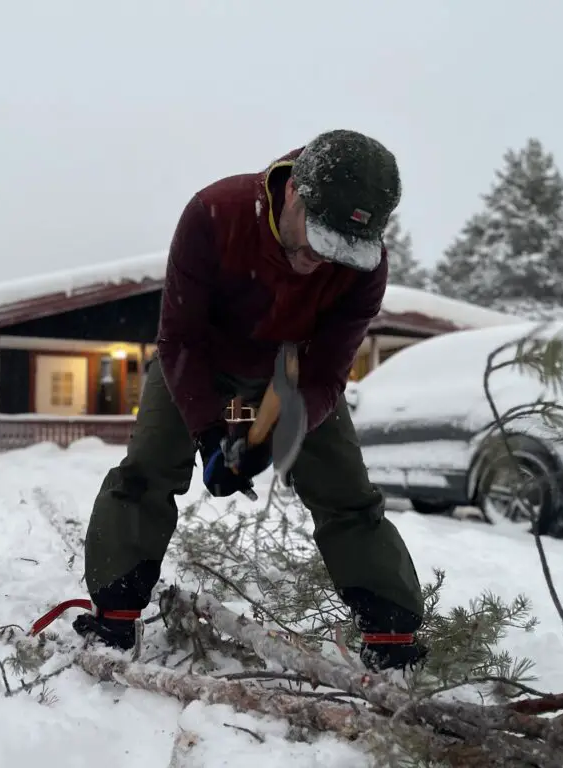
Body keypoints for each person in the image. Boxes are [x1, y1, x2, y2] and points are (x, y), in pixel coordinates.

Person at [72, 129, 425, 672]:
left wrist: (281, 432)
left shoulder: (365, 270)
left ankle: (393, 635)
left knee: (347, 492)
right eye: (317, 239)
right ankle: (115, 612)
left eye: (338, 251)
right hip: (201, 359)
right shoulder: (215, 214)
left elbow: (329, 370)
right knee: (147, 470)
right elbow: (180, 338)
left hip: (292, 369)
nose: (316, 262)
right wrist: (212, 433)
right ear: (294, 194)